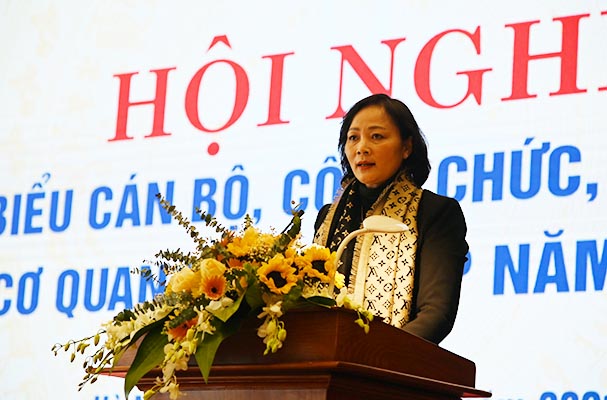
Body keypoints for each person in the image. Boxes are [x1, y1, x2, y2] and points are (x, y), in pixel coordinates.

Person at [313, 93, 468, 345]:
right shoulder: (328, 219)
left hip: (389, 362)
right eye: (353, 138)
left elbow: (436, 314)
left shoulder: (435, 212)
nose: (362, 148)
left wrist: (374, 354)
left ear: (406, 147)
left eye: (376, 136)